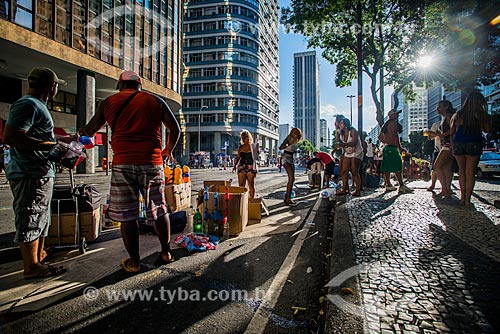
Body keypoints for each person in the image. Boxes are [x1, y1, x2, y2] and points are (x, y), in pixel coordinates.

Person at [79, 70, 180, 273]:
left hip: (123, 163)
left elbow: (88, 131)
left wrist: (80, 140)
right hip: (152, 163)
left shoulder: (108, 102)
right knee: (159, 209)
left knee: (128, 215)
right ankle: (166, 252)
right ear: (140, 85)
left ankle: (134, 262)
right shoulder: (156, 101)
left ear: (119, 85)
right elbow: (175, 129)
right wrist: (167, 150)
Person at [3, 68, 69, 279]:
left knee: (40, 216)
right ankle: (31, 266)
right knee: (30, 214)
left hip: (40, 172)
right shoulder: (28, 104)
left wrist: (62, 145)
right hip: (28, 172)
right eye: (57, 86)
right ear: (52, 86)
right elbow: (11, 136)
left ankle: (38, 257)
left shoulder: (37, 105)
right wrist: (50, 145)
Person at [450, 91, 491, 207]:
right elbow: (487, 130)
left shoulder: (458, 114)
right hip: (474, 143)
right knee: (470, 173)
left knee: (461, 172)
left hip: (458, 143)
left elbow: (452, 133)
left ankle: (462, 198)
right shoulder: (481, 115)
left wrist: (453, 146)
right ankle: (468, 200)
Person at [378, 109, 413, 194]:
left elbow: (380, 137)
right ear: (391, 116)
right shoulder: (393, 123)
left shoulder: (385, 125)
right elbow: (395, 136)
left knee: (387, 167)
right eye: (396, 114)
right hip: (392, 148)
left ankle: (389, 185)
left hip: (386, 148)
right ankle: (401, 185)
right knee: (398, 166)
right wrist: (400, 148)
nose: (397, 116)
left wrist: (386, 140)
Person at [429, 100, 455, 199]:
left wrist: (440, 135)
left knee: (436, 167)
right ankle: (447, 190)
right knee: (446, 168)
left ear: (446, 107)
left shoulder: (448, 117)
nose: (437, 109)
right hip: (447, 144)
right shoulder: (445, 117)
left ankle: (445, 189)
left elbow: (453, 130)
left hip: (448, 145)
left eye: (439, 106)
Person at [337, 118, 363, 196]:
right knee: (343, 171)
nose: (340, 125)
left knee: (354, 171)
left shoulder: (352, 131)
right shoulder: (340, 133)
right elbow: (338, 142)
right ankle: (345, 188)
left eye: (341, 123)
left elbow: (354, 142)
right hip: (347, 152)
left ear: (346, 124)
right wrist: (337, 134)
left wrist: (343, 145)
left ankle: (357, 190)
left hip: (356, 152)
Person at [279, 127, 302, 206]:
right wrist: (287, 144)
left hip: (291, 159)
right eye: (294, 133)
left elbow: (291, 149)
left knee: (292, 179)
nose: (295, 135)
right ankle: (287, 198)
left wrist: (295, 150)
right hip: (286, 158)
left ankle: (287, 198)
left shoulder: (296, 141)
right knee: (291, 178)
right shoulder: (289, 138)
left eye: (297, 134)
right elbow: (281, 147)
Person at [232, 130, 257, 198]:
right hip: (241, 167)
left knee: (251, 186)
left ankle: (251, 200)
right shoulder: (241, 147)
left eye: (246, 137)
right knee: (241, 186)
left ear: (249, 137)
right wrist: (235, 165)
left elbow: (256, 159)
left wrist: (255, 170)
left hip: (250, 167)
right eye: (243, 138)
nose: (245, 139)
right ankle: (242, 201)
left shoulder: (253, 146)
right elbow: (238, 157)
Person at [426, 121, 442, 191]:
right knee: (435, 168)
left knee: (448, 169)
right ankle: (433, 185)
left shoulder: (451, 121)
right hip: (438, 149)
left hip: (448, 148)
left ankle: (447, 187)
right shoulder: (436, 124)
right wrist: (432, 134)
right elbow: (430, 137)